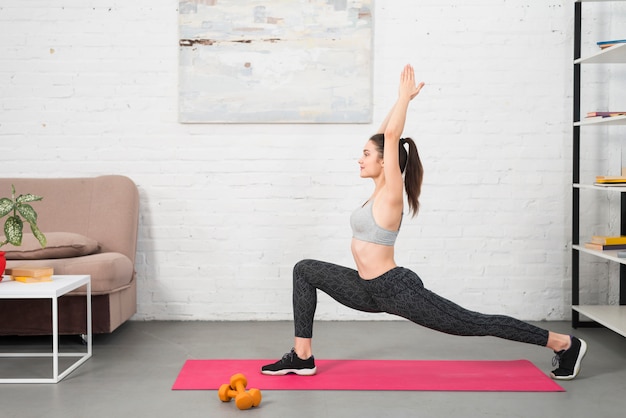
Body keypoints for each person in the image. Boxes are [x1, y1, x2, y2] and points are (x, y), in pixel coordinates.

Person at [261, 64, 587, 381]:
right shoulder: (375, 193)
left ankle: (564, 344)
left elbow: (390, 135)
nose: (359, 158)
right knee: (305, 269)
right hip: (365, 288)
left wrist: (404, 99)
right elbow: (383, 134)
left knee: (472, 322)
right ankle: (303, 357)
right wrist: (399, 101)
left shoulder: (391, 193)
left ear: (384, 162)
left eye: (365, 154)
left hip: (395, 289)